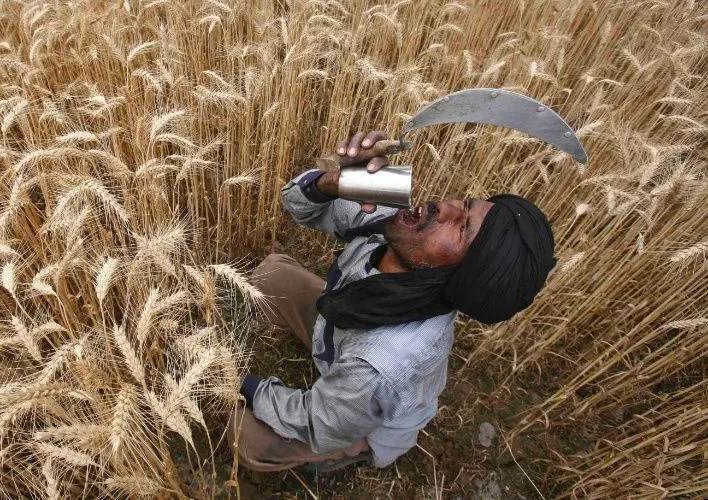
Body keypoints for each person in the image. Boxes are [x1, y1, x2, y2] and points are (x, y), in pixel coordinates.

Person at [230, 130, 557, 473]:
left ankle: (355, 451)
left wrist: (249, 387)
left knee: (245, 435)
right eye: (466, 204)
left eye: (462, 229)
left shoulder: (382, 363)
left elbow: (318, 422)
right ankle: (331, 366)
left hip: (370, 410)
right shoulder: (399, 225)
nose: (444, 206)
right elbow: (297, 203)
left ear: (459, 276)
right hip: (344, 338)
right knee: (271, 274)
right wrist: (335, 181)